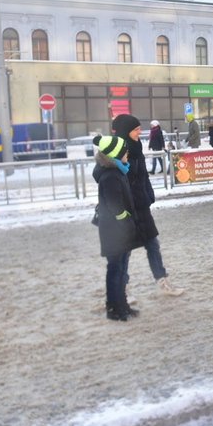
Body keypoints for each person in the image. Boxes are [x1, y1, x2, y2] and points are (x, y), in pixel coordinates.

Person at [111, 114, 185, 302]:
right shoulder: (117, 152)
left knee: (153, 244)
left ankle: (162, 281)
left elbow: (142, 177)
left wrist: (148, 195)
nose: (139, 131)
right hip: (127, 209)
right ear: (126, 131)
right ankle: (121, 289)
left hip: (142, 206)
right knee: (125, 250)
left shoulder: (135, 147)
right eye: (135, 129)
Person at [92, 134, 143, 321]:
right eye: (124, 151)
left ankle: (122, 305)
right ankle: (114, 308)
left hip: (118, 231)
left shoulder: (117, 171)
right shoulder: (110, 176)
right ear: (115, 154)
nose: (127, 153)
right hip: (114, 231)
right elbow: (116, 206)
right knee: (116, 269)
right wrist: (126, 221)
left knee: (121, 268)